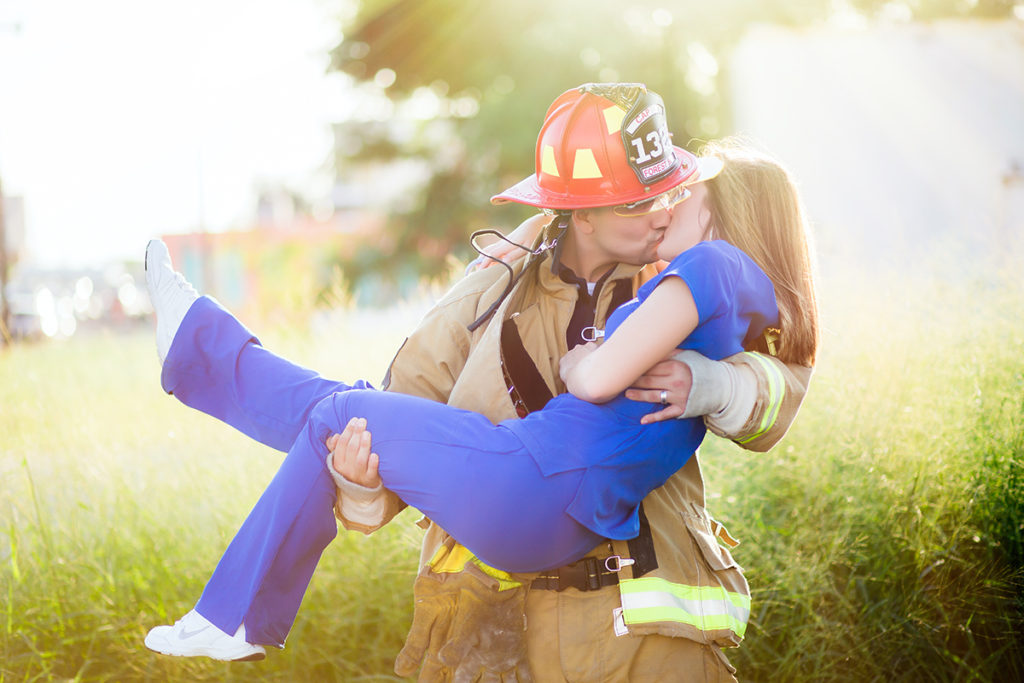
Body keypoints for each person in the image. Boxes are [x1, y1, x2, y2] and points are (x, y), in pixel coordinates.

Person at [143, 83, 815, 680]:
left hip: (646, 636)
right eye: (647, 199)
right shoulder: (502, 277)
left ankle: (198, 352)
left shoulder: (692, 268)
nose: (665, 209)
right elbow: (401, 405)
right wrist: (360, 484)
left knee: (339, 410)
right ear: (586, 210)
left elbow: (790, 368)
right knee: (342, 412)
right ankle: (196, 349)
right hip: (500, 627)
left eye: (674, 192)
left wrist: (715, 385)